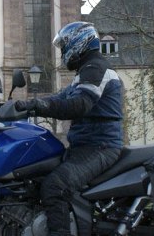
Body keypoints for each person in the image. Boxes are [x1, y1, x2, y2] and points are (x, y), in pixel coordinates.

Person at [15, 21, 124, 236]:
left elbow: (78, 105)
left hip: (100, 147)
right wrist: (21, 106)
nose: (63, 52)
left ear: (79, 42)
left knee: (54, 187)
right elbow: (60, 98)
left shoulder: (96, 69)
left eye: (65, 46)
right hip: (86, 146)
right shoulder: (85, 73)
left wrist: (36, 106)